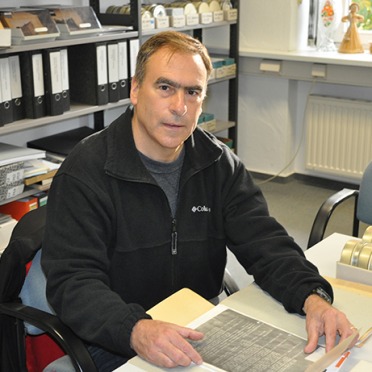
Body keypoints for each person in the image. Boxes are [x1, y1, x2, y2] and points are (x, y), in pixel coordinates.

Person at [41, 31, 358, 371]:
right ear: (134, 90)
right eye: (165, 88)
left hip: (202, 324)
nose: (179, 107)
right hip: (120, 340)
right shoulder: (86, 171)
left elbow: (265, 242)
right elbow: (73, 282)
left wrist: (313, 298)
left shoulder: (218, 164)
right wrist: (136, 329)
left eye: (192, 92)